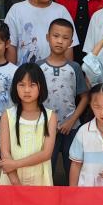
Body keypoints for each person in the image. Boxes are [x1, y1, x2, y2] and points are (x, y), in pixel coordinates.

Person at [39, 18, 89, 184]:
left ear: (71, 42)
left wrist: (72, 120)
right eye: (56, 36)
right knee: (46, 170)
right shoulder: (38, 67)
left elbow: (85, 97)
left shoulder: (74, 67)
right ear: (48, 37)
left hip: (71, 128)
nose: (60, 41)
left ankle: (72, 200)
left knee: (72, 170)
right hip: (46, 128)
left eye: (65, 38)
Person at [5, 0, 78, 65]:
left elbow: (69, 47)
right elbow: (11, 46)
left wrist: (67, 71)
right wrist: (13, 73)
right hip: (25, 74)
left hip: (55, 74)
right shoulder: (16, 10)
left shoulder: (61, 11)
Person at [0, 64, 57, 186]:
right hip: (12, 180)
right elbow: (5, 153)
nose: (27, 90)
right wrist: (16, 182)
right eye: (22, 85)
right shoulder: (7, 116)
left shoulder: (50, 117)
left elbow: (46, 153)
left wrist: (15, 164)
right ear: (15, 87)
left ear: (41, 86)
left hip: (40, 180)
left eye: (32, 85)